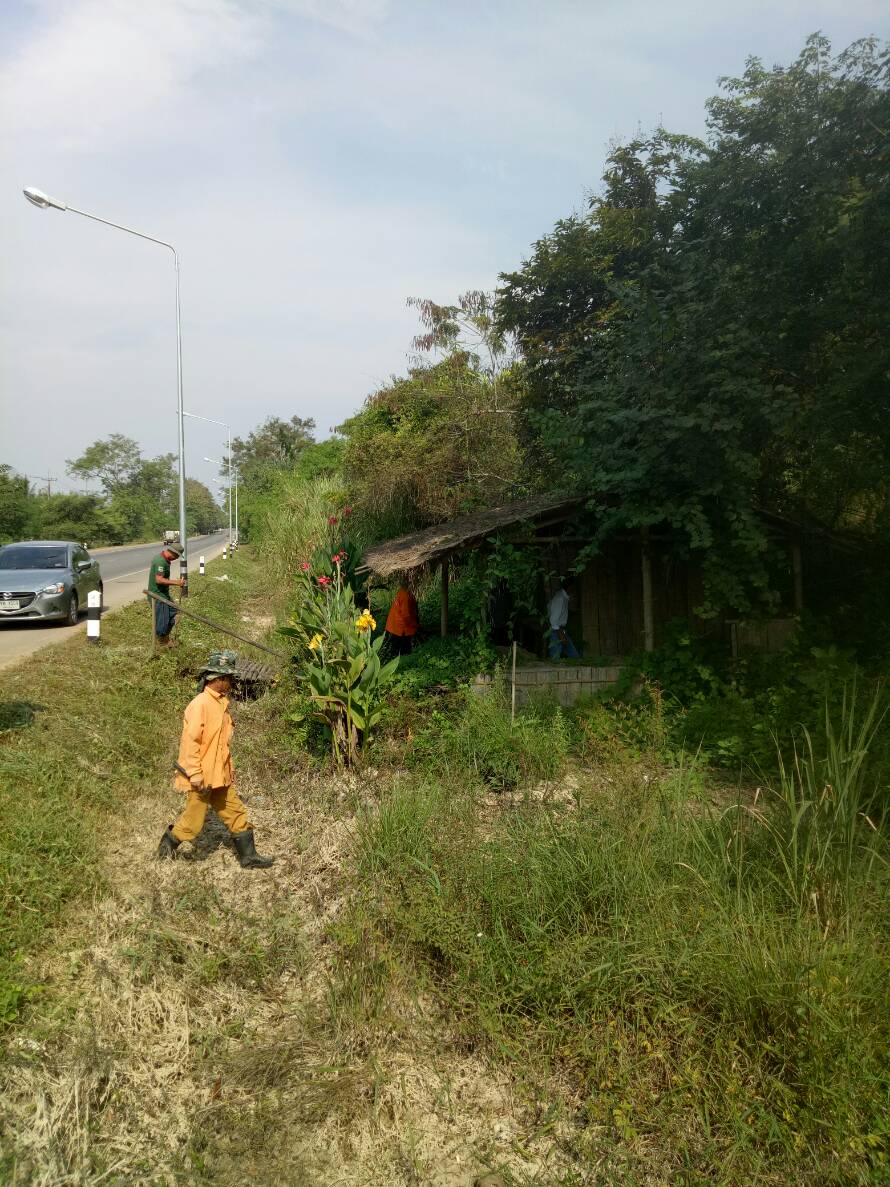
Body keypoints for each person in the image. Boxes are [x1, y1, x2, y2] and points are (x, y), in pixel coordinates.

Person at [157, 650, 274, 869]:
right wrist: (194, 774)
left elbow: (221, 746)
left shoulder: (221, 703)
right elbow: (190, 743)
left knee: (236, 813)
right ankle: (165, 850)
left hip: (219, 777)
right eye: (228, 678)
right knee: (192, 823)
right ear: (217, 678)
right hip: (202, 778)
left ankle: (249, 857)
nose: (231, 682)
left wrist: (228, 771)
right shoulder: (200, 704)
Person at [147, 542, 185, 648]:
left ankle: (165, 639)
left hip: (164, 595)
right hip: (158, 596)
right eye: (177, 556)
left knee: (174, 613)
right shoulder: (160, 561)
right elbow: (159, 580)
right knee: (162, 621)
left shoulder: (165, 560)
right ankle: (161, 642)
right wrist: (177, 582)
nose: (177, 558)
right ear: (174, 553)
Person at [384, 578, 419, 656]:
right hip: (400, 626)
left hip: (396, 624)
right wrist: (414, 625)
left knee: (397, 647)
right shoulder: (405, 595)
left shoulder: (403, 591)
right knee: (403, 649)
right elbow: (406, 614)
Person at [548, 577, 580, 660]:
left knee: (574, 656)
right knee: (555, 658)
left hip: (561, 630)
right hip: (556, 631)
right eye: (574, 588)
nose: (575, 590)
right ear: (569, 588)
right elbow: (553, 620)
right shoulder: (560, 599)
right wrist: (561, 634)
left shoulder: (564, 597)